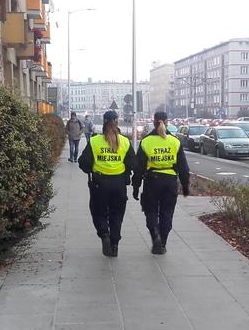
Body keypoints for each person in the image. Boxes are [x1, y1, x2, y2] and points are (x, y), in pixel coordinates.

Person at [78, 110, 135, 257]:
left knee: (98, 211)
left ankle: (104, 235)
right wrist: (125, 171)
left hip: (99, 183)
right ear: (117, 121)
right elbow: (133, 163)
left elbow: (83, 162)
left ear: (103, 122)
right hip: (119, 184)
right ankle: (114, 244)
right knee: (117, 214)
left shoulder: (95, 141)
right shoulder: (125, 141)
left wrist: (92, 170)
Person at [132, 111, 190, 255]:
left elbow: (139, 168)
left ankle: (155, 235)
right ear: (167, 122)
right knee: (167, 213)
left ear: (154, 121)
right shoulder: (174, 141)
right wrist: (185, 186)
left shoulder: (146, 141)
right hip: (170, 181)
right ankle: (162, 242)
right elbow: (183, 167)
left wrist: (135, 186)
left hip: (152, 181)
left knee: (150, 211)